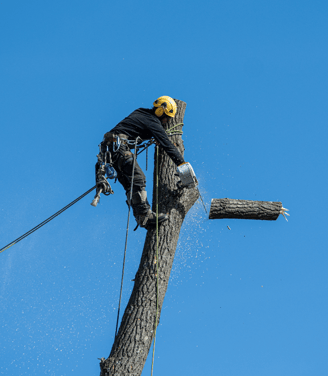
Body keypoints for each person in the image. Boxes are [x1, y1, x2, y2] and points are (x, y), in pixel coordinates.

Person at [96, 96, 186, 229]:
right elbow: (167, 144)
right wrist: (183, 165)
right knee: (138, 178)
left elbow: (138, 130)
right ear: (160, 111)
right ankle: (144, 215)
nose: (166, 122)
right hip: (118, 148)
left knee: (130, 185)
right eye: (166, 117)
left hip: (110, 152)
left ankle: (142, 218)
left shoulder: (141, 112)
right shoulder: (152, 121)